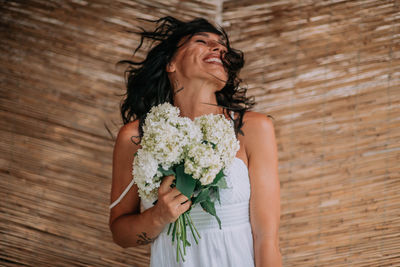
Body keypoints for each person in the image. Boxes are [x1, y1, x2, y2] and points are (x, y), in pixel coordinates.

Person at [109, 16, 282, 267]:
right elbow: (120, 234)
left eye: (223, 47)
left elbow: (267, 239)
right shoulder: (136, 138)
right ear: (170, 63)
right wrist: (158, 216)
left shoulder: (253, 129)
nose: (219, 49)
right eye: (202, 41)